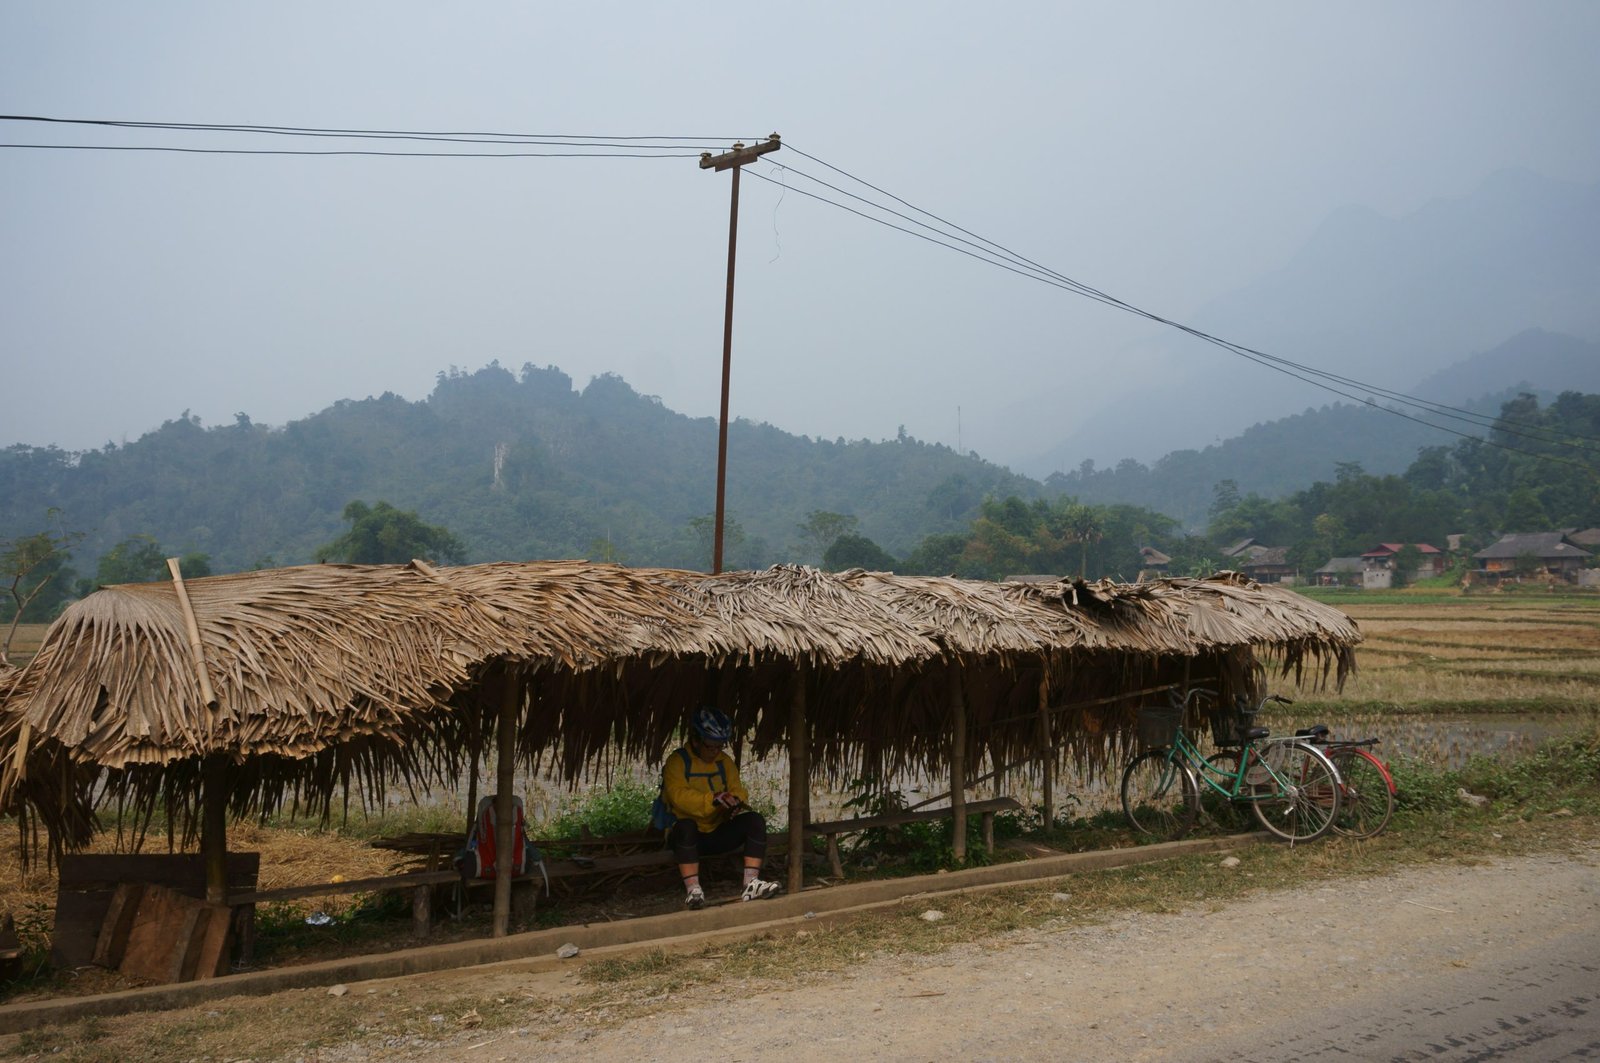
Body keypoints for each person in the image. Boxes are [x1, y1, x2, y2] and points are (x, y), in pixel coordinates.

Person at [661, 705, 782, 909]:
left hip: (717, 832)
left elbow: (738, 789)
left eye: (720, 746)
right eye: (710, 746)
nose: (715, 751)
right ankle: (694, 891)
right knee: (685, 827)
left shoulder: (724, 762)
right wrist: (713, 799)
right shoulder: (677, 761)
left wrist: (734, 801)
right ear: (696, 740)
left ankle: (750, 884)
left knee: (754, 821)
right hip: (688, 839)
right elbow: (678, 796)